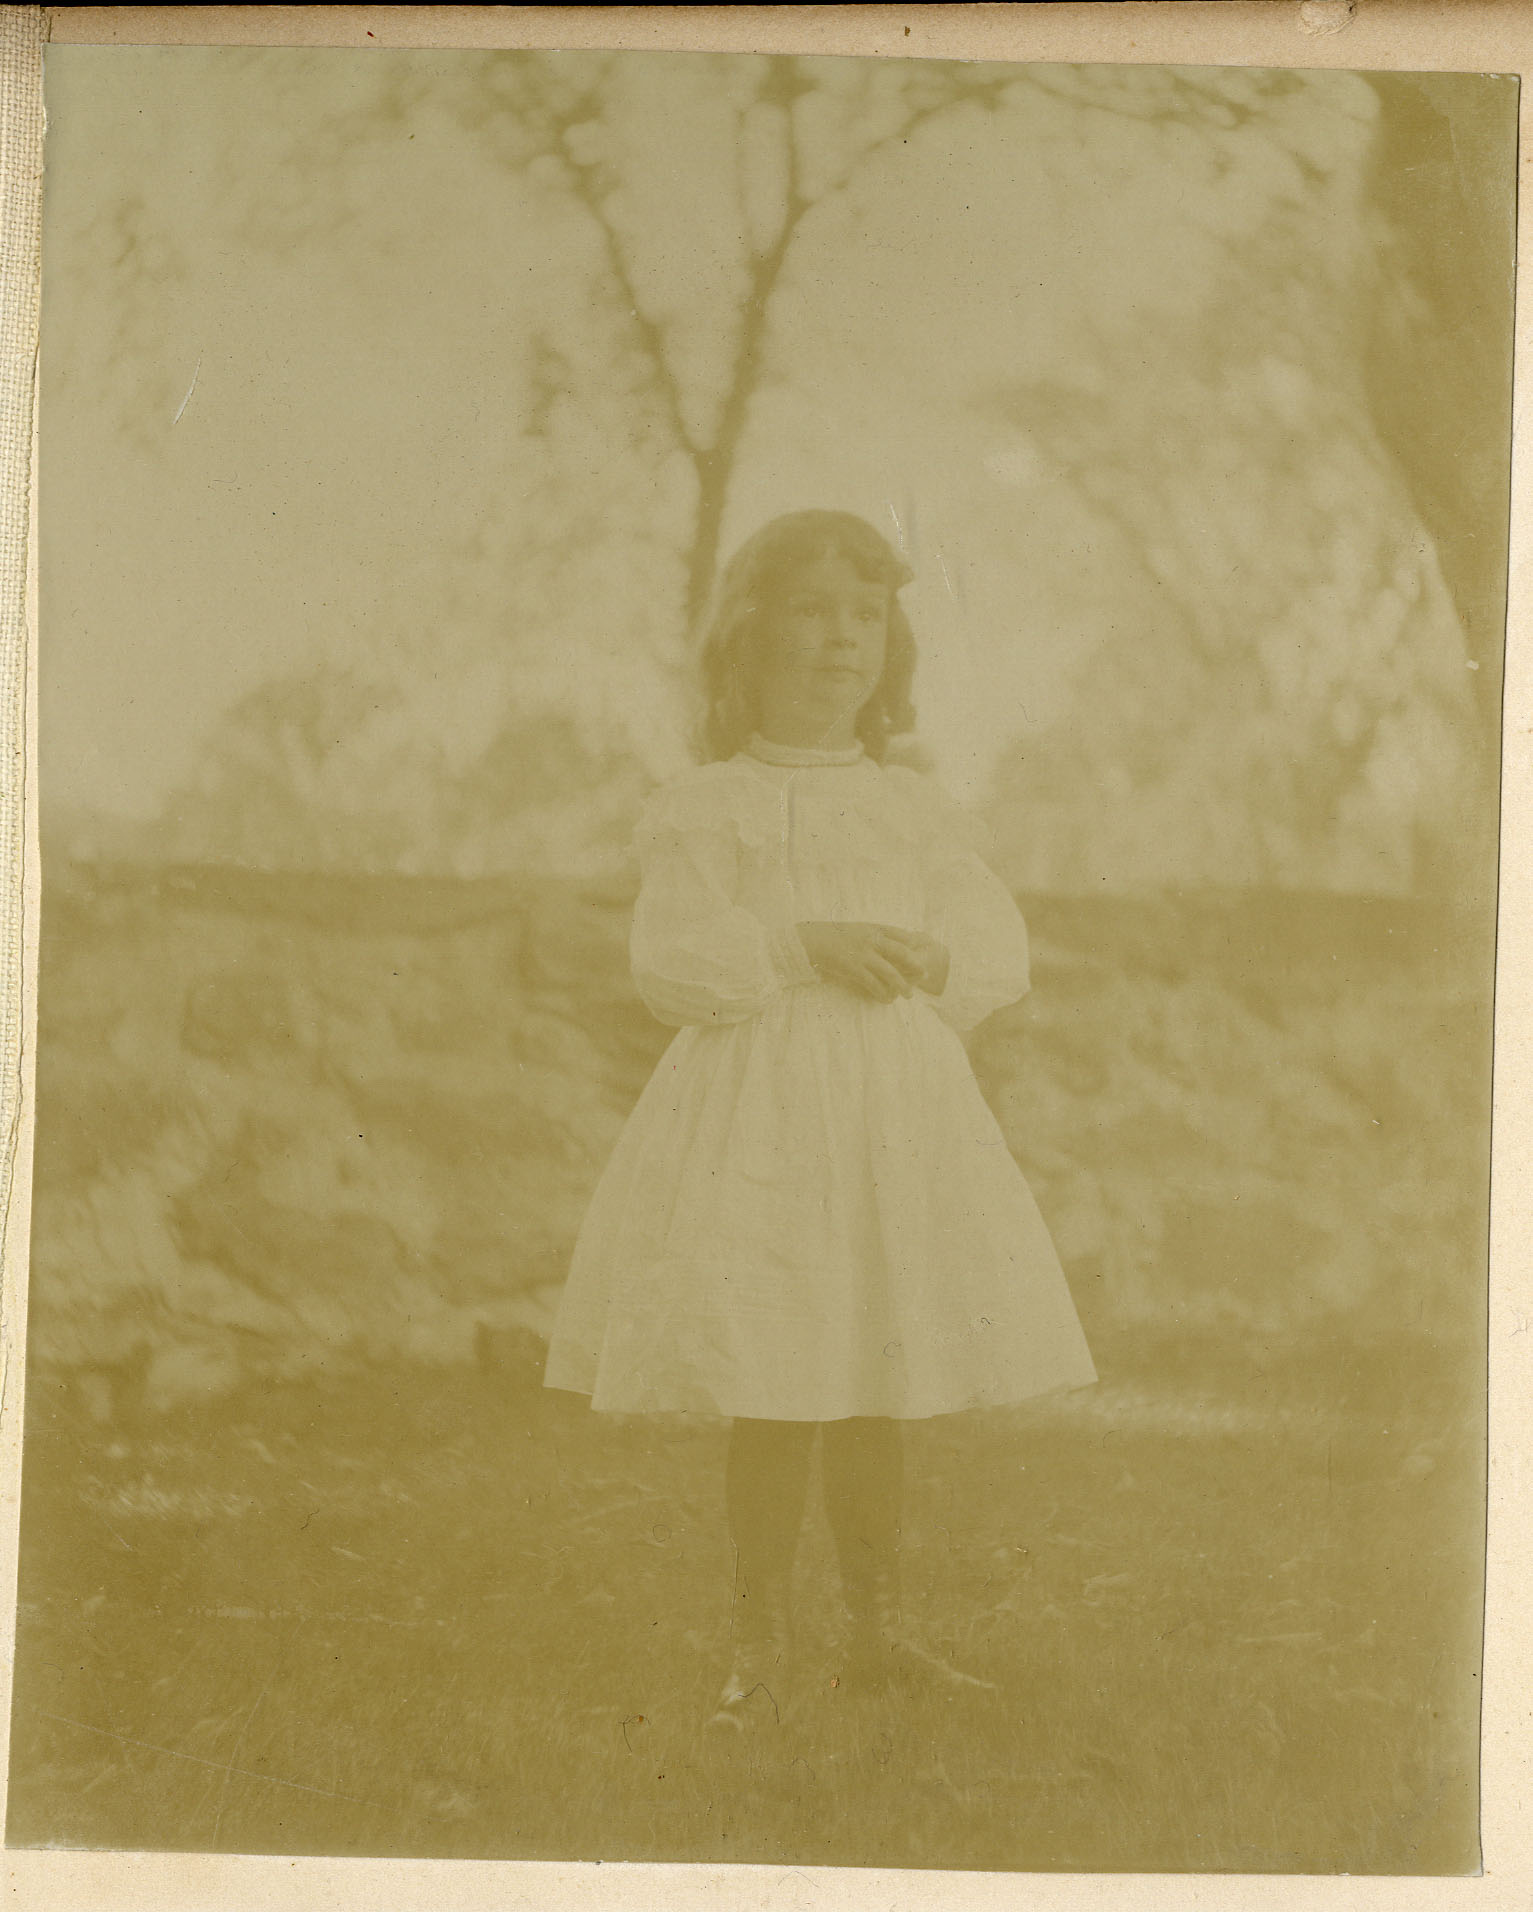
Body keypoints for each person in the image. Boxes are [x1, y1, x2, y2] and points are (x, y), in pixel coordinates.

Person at [543, 509, 1096, 1730]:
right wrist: (802, 945)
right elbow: (672, 961)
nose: (842, 637)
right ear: (748, 637)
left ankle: (877, 1633)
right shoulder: (710, 805)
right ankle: (757, 1641)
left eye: (865, 614)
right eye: (811, 610)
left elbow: (992, 946)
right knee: (776, 1368)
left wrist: (929, 954)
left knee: (872, 1366)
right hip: (761, 1114)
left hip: (890, 1110)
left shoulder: (912, 806)